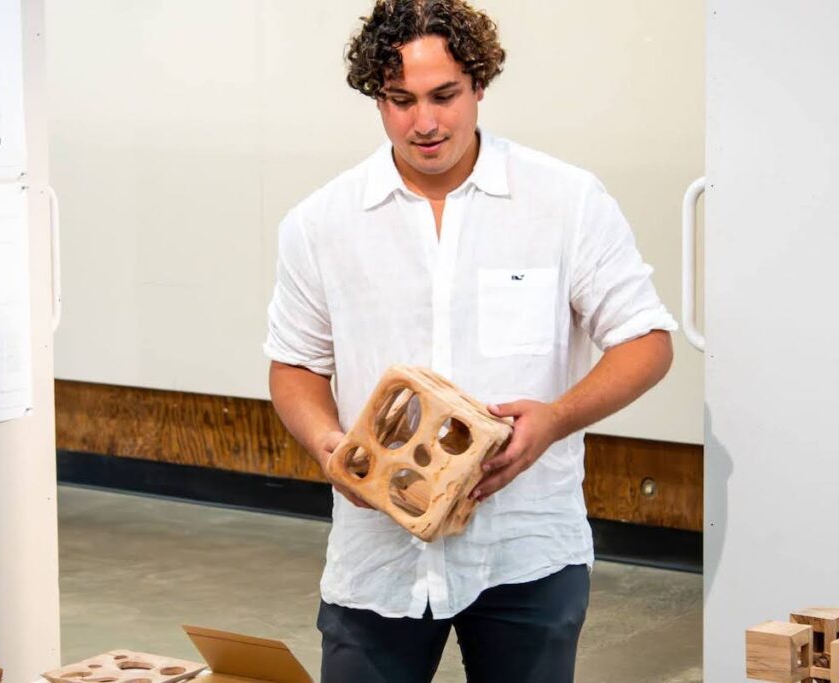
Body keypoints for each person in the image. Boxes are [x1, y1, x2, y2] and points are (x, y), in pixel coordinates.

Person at [263, 1, 676, 680]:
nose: (423, 122)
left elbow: (646, 340)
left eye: (443, 96)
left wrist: (554, 419)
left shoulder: (564, 201)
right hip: (379, 559)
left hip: (525, 550)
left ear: (479, 85)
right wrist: (331, 447)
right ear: (376, 98)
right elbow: (295, 365)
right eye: (400, 101)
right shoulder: (320, 223)